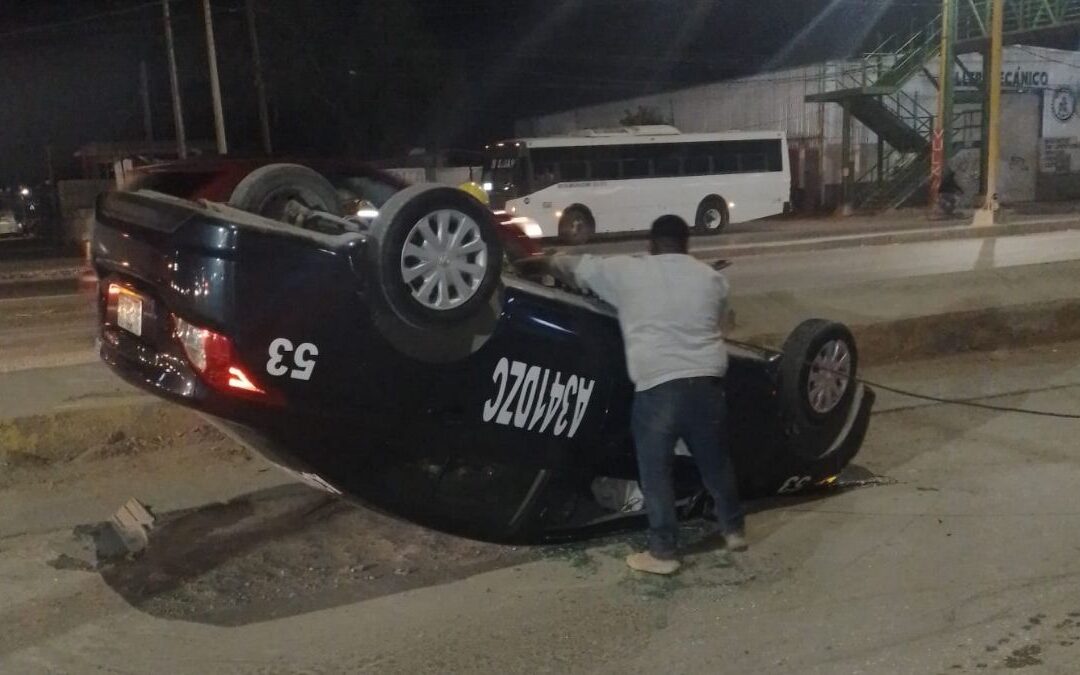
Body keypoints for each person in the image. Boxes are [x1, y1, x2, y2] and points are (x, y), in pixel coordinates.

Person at [540, 215, 746, 575]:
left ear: (651, 244)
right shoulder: (711, 279)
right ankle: (733, 530)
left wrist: (546, 258)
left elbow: (576, 268)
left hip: (658, 387)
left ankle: (664, 553)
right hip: (707, 385)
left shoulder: (629, 272)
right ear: (687, 245)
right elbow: (724, 324)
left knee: (655, 472)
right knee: (716, 463)